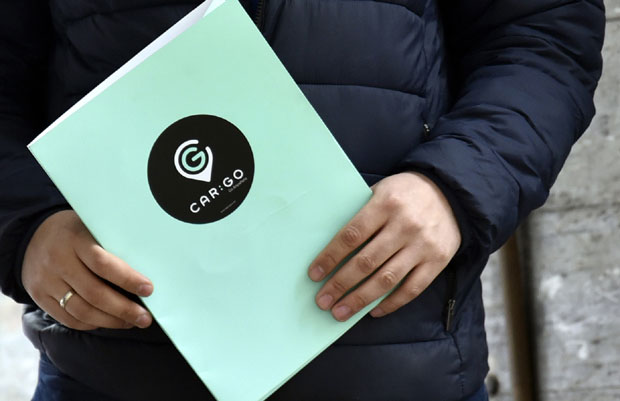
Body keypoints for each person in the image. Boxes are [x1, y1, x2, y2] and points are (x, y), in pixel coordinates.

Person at [0, 1, 605, 400]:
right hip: (110, 373)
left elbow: (542, 35)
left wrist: (455, 186)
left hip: (398, 368)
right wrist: (26, 226)